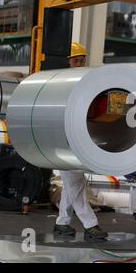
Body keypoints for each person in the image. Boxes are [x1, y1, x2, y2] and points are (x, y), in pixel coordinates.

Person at [53, 43, 108, 241]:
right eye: (76, 60)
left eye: (82, 60)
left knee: (73, 181)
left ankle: (62, 222)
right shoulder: (63, 82)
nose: (80, 63)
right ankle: (90, 224)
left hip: (76, 138)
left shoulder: (83, 81)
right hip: (63, 138)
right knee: (75, 181)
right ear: (68, 61)